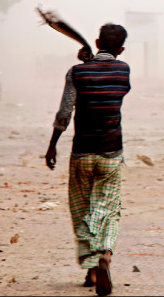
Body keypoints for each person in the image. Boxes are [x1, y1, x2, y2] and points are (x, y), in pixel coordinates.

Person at [45, 23, 131, 296]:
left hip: (82, 151)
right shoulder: (124, 70)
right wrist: (93, 62)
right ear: (121, 49)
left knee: (81, 209)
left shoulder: (76, 72)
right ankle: (105, 255)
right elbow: (113, 82)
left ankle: (91, 266)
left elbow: (64, 113)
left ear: (96, 41)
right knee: (109, 208)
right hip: (111, 153)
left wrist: (52, 146)